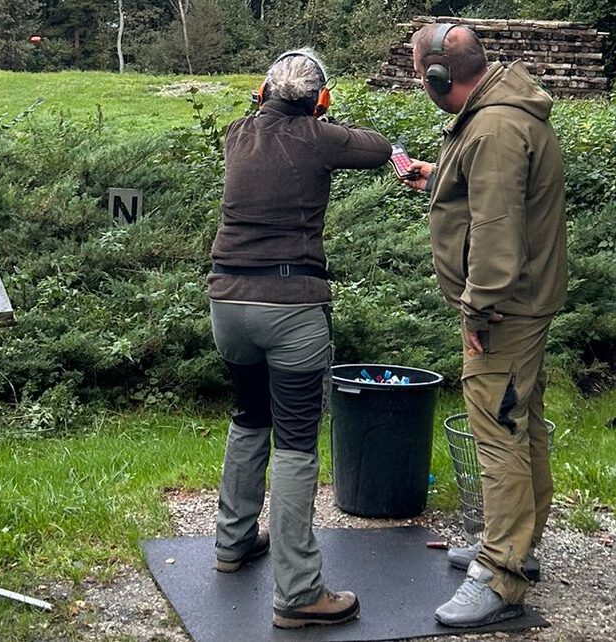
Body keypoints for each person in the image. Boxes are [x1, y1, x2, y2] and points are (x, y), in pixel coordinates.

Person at [208, 48, 391, 629]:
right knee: (294, 442)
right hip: (291, 308)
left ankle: (232, 543)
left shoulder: (238, 133)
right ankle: (299, 593)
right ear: (320, 100)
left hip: (227, 302)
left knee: (248, 415)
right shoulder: (320, 137)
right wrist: (324, 118)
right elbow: (380, 148)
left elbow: (267, 116)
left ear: (261, 95)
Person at [400, 23, 567, 627]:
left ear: (439, 76)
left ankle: (501, 575)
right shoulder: (498, 109)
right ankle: (517, 545)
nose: (420, 81)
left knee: (497, 433)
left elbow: (497, 231)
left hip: (503, 309)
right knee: (520, 423)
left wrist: (477, 306)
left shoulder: (494, 128)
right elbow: (488, 200)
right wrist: (435, 179)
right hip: (522, 302)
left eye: (420, 72)